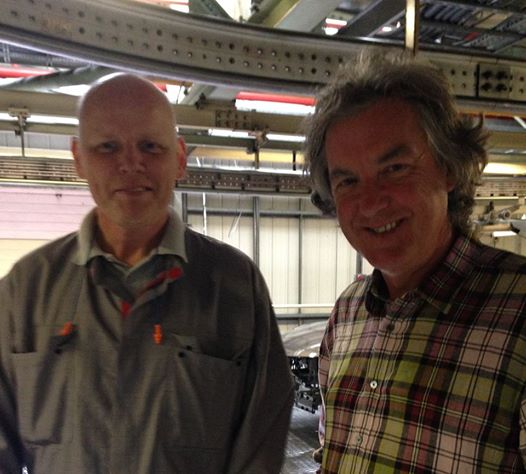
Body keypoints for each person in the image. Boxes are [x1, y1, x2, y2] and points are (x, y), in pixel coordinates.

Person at [0, 74, 294, 473]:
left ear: (180, 158)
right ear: (79, 158)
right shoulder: (24, 291)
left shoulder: (236, 287)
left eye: (150, 146)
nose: (130, 164)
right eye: (107, 147)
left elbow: (260, 447)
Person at [304, 49, 526, 473]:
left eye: (395, 168)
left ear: (449, 167)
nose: (371, 203)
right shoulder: (347, 314)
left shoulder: (519, 310)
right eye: (347, 181)